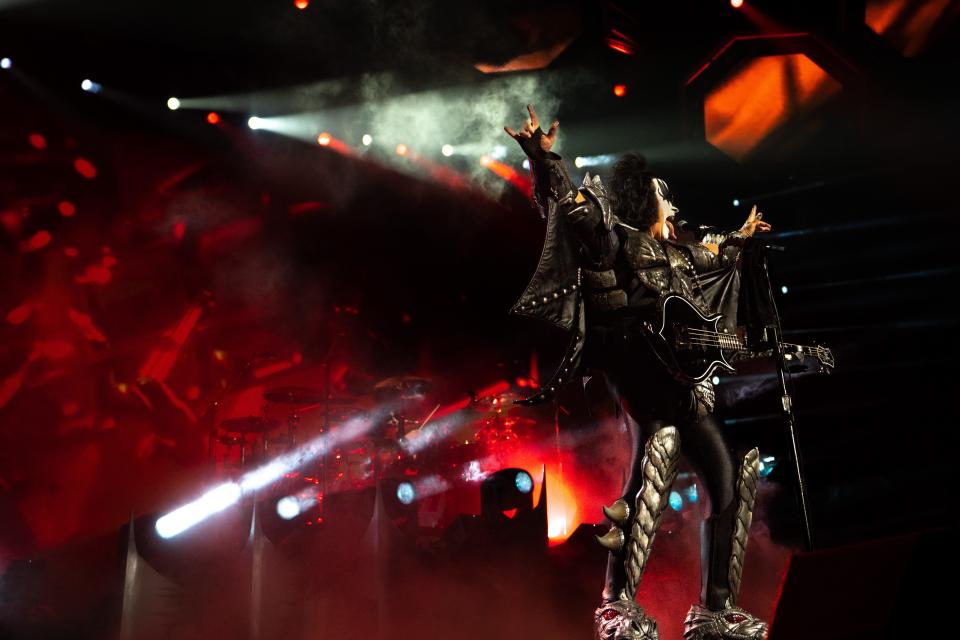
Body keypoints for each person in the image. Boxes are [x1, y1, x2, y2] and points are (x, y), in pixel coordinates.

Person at [505, 105, 773, 640]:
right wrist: (545, 160)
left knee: (727, 483)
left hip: (685, 388)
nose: (672, 200)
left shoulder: (680, 252)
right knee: (649, 477)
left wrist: (740, 239)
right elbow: (572, 212)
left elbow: (714, 258)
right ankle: (617, 608)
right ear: (644, 201)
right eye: (662, 192)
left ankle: (715, 613)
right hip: (643, 380)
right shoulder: (622, 240)